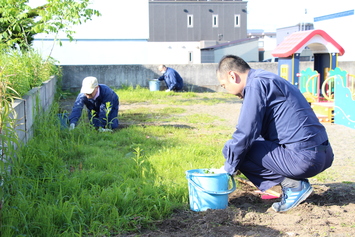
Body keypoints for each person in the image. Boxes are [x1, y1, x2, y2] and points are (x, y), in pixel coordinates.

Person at [217, 55, 333, 212]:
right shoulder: (268, 78)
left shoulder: (255, 85)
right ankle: (286, 186)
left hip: (305, 159)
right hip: (323, 154)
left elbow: (245, 132)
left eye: (224, 85)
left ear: (232, 75)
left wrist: (229, 167)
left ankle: (293, 188)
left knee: (234, 150)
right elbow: (255, 132)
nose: (227, 90)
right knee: (239, 150)